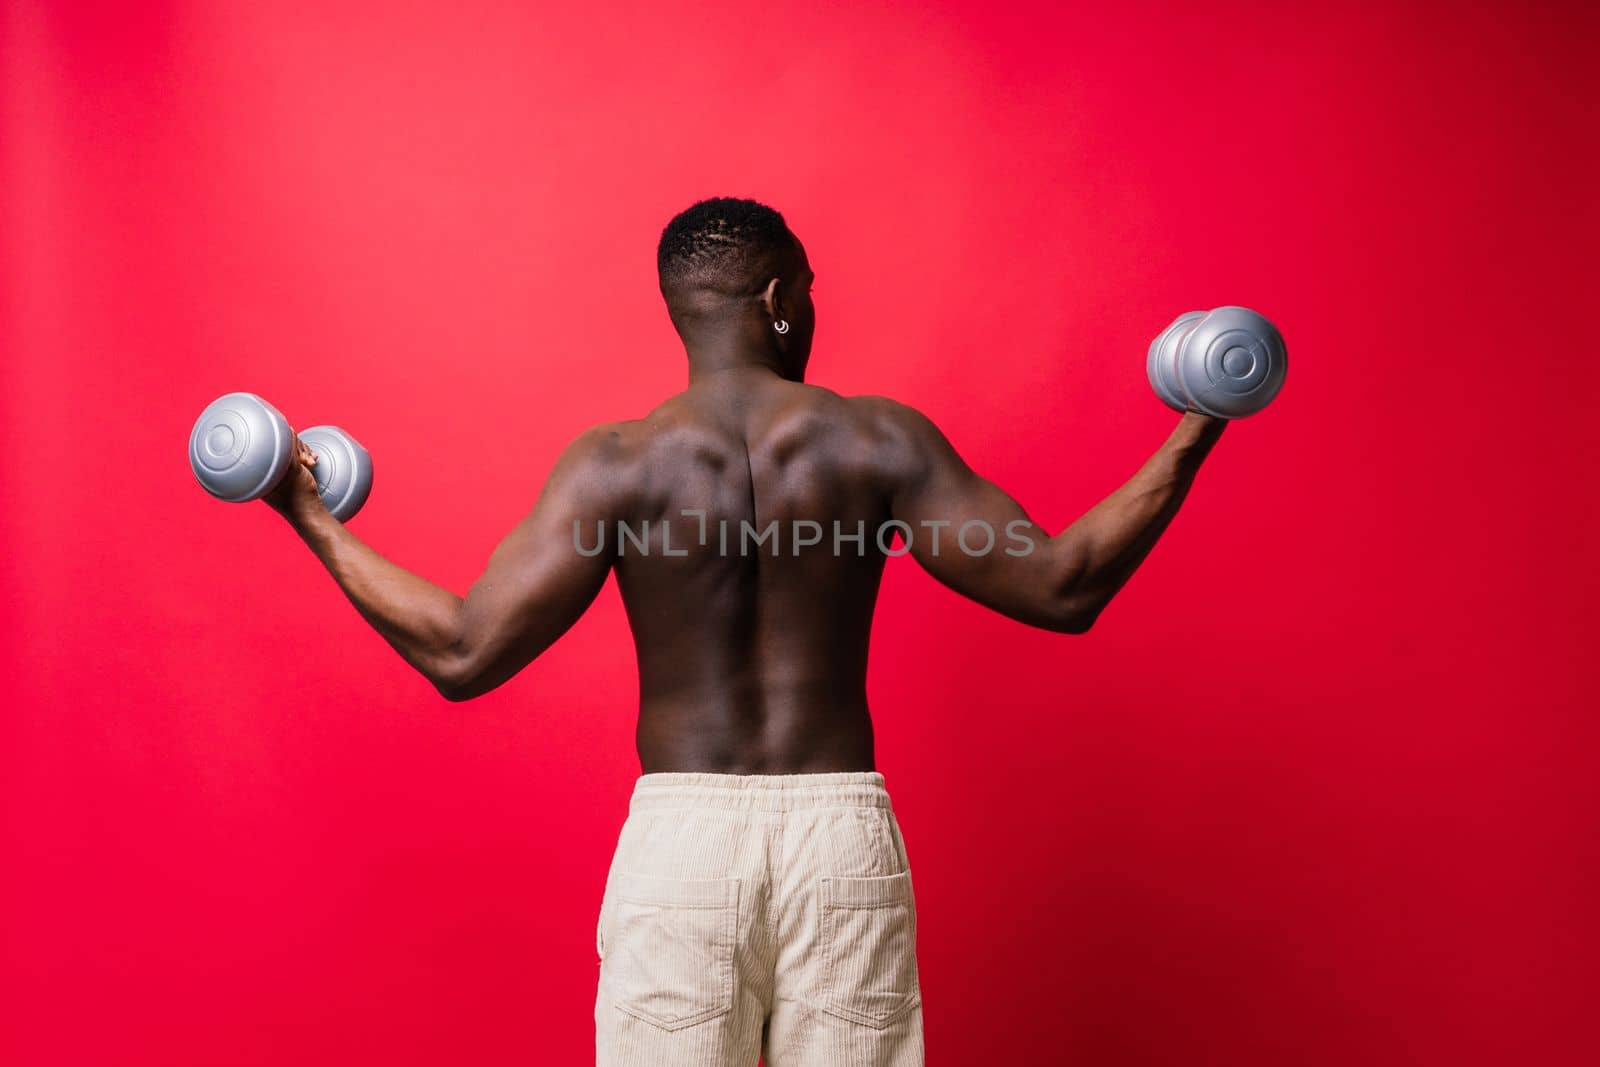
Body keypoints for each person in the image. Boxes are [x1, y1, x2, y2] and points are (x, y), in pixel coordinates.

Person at [263, 197, 1228, 1066]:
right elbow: (1063, 586)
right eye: (809, 292)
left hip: (685, 847)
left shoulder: (616, 466)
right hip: (839, 838)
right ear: (777, 297)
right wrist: (1197, 424)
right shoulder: (878, 441)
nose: (812, 312)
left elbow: (463, 650)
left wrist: (309, 514)